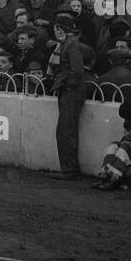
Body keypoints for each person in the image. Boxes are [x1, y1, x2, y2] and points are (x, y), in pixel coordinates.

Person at [48, 13, 86, 180]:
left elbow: (77, 71)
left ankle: (69, 169)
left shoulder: (70, 44)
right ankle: (69, 168)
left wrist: (68, 85)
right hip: (70, 89)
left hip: (71, 90)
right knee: (66, 130)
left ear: (59, 29)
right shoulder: (70, 43)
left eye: (55, 29)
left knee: (65, 131)